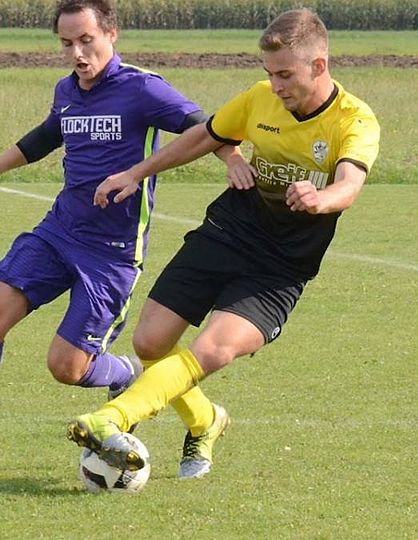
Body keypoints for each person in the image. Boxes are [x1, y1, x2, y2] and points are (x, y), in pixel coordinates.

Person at [0, 0, 241, 464]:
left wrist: (232, 158)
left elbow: (204, 126)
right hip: (58, 232)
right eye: (66, 43)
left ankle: (126, 374)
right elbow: (46, 135)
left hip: (111, 253)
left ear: (111, 34)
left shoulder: (142, 88)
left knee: (66, 368)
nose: (77, 53)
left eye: (86, 40)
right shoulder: (67, 89)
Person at [66, 8, 382, 479]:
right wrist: (135, 173)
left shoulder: (354, 120)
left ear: (319, 66)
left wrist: (321, 199)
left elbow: (350, 185)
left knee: (214, 349)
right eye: (269, 73)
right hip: (228, 233)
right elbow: (204, 136)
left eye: (285, 75)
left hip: (281, 266)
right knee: (150, 341)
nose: (275, 85)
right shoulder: (259, 99)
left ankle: (113, 417)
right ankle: (206, 421)